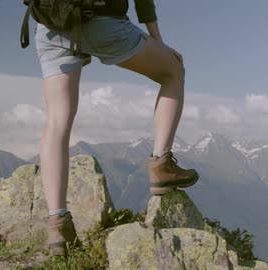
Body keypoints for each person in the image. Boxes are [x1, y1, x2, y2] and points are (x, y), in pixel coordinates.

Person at [36, 0, 199, 256]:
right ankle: (161, 165)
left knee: (56, 121)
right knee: (173, 71)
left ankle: (58, 225)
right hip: (102, 22)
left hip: (50, 24)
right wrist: (158, 41)